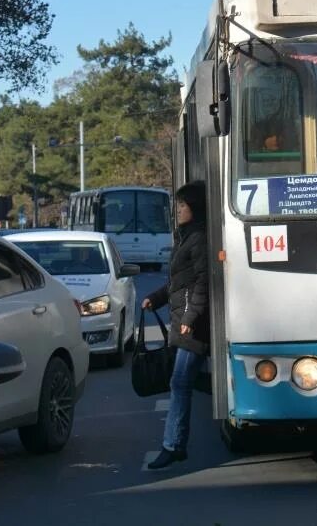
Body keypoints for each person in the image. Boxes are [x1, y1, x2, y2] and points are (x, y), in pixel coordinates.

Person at [141, 181, 210, 470]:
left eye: (182, 205)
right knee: (183, 381)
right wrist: (155, 299)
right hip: (183, 320)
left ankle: (173, 445)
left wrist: (191, 318)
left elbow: (203, 283)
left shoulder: (198, 239)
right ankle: (174, 444)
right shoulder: (184, 237)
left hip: (193, 324)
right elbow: (177, 282)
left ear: (194, 208)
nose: (178, 210)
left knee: (180, 381)